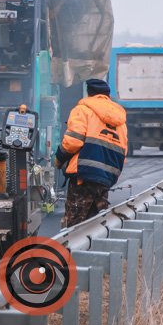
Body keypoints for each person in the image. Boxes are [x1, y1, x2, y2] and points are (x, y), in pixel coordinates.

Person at [57, 78, 128, 227]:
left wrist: (58, 158)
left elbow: (73, 141)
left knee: (73, 227)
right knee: (96, 227)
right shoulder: (120, 121)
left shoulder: (83, 110)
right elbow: (124, 153)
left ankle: (71, 251)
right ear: (107, 96)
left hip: (83, 177)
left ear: (89, 93)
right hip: (105, 180)